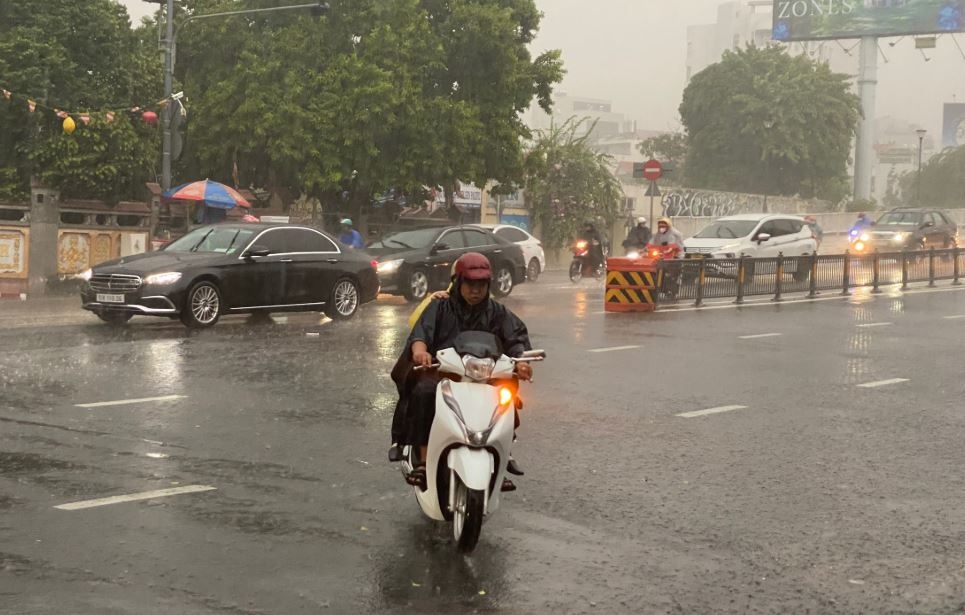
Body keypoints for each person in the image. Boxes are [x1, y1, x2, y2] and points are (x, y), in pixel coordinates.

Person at [390, 252, 533, 491]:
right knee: (424, 391)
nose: (475, 290)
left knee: (506, 394)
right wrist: (420, 352)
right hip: (444, 374)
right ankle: (423, 460)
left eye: (481, 285)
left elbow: (516, 340)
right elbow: (421, 334)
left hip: (485, 376)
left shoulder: (498, 312)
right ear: (458, 283)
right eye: (470, 284)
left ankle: (503, 453)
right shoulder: (440, 306)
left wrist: (521, 362)